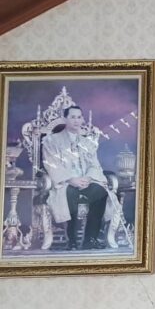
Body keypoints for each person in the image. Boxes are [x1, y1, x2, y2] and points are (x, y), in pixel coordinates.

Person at [41, 105, 116, 250]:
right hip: (64, 183)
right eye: (72, 117)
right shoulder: (52, 141)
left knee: (101, 191)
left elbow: (95, 165)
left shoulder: (87, 142)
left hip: (86, 182)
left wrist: (88, 178)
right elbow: (51, 164)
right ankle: (72, 240)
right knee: (71, 193)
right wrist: (71, 179)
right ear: (65, 119)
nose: (76, 120)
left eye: (79, 117)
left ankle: (90, 239)